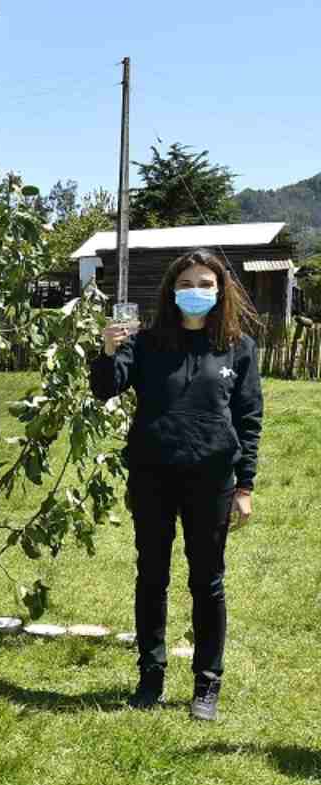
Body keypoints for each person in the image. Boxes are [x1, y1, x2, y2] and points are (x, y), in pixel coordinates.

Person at [91, 249, 262, 722]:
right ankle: (150, 677)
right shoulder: (146, 343)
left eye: (206, 284)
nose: (196, 291)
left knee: (207, 581)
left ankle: (207, 684)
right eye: (187, 283)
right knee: (152, 576)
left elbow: (249, 419)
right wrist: (108, 351)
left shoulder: (238, 347)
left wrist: (244, 486)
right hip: (153, 475)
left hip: (212, 479)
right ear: (171, 291)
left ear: (220, 291)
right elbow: (106, 387)